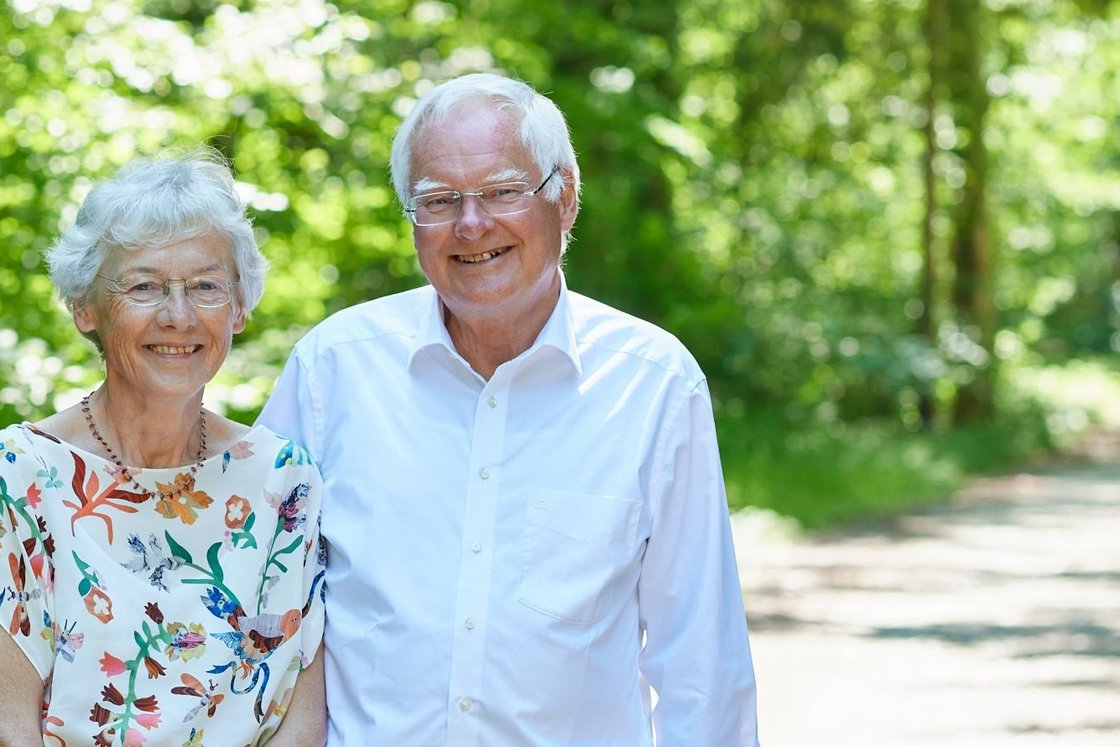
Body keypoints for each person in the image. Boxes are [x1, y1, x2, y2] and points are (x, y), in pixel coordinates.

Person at [258, 72, 759, 745]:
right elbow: (258, 601)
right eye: (439, 200)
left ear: (565, 197)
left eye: (502, 191)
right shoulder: (332, 369)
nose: (472, 224)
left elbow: (701, 662)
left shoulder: (653, 384)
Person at [0, 150, 327, 746]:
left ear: (239, 308)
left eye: (206, 286)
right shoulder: (19, 476)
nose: (178, 316)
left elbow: (301, 722)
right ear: (84, 307)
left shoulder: (283, 480)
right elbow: (8, 725)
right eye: (144, 286)